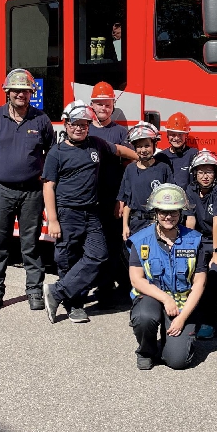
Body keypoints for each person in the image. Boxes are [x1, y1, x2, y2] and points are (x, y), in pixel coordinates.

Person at [41, 101, 136, 324]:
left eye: (84, 124)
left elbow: (120, 150)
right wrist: (53, 220)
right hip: (67, 213)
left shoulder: (96, 144)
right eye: (75, 124)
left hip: (91, 212)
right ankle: (74, 305)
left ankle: (56, 292)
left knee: (99, 255)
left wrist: (140, 158)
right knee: (68, 259)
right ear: (66, 124)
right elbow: (48, 187)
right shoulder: (57, 152)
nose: (80, 128)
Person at [0, 68, 55, 314]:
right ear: (7, 92)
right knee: (0, 245)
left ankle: (34, 292)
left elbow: (51, 153)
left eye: (26, 90)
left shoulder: (41, 119)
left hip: (31, 192)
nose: (21, 94)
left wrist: (42, 174)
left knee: (30, 244)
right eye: (16, 90)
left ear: (32, 93)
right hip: (0, 191)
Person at [128, 184, 206, 370]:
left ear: (181, 213)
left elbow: (200, 282)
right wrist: (165, 299)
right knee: (144, 317)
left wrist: (182, 317)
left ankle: (170, 340)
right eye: (163, 212)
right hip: (152, 297)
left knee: (177, 361)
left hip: (182, 304)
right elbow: (136, 279)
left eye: (174, 212)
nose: (168, 216)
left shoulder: (194, 240)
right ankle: (146, 351)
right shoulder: (140, 240)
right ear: (155, 212)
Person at [86, 81, 135, 302]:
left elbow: (128, 168)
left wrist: (121, 199)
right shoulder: (85, 129)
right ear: (92, 105)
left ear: (112, 107)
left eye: (107, 105)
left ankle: (116, 287)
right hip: (90, 198)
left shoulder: (121, 132)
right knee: (94, 244)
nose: (103, 108)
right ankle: (100, 285)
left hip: (113, 197)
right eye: (99, 104)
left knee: (114, 244)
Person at [184, 149, 217, 339]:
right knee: (188, 272)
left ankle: (209, 321)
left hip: (215, 241)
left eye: (209, 171)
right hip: (197, 239)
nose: (205, 176)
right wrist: (188, 247)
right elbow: (190, 221)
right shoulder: (190, 190)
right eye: (201, 172)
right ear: (195, 173)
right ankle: (190, 317)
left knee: (214, 274)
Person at [118, 121, 174, 240]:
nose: (143, 150)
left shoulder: (163, 168)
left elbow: (171, 200)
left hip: (158, 224)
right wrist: (125, 227)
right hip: (136, 225)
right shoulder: (130, 169)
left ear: (154, 145)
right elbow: (128, 202)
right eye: (139, 146)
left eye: (147, 145)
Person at [158, 112, 198, 189]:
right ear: (167, 134)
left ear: (186, 135)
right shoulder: (161, 157)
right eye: (173, 134)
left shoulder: (193, 154)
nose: (176, 138)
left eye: (180, 134)